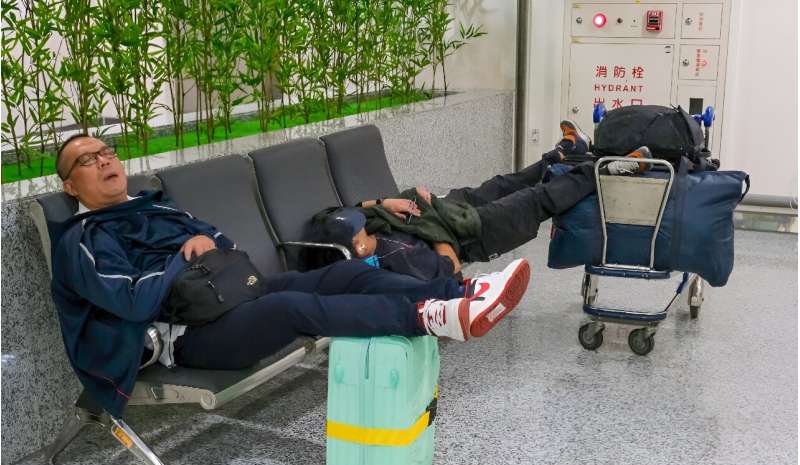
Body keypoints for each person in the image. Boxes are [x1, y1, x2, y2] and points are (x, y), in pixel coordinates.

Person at [51, 134, 531, 417]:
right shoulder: (82, 241)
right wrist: (183, 257)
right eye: (87, 161)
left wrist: (203, 248)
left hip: (227, 294)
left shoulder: (153, 206)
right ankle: (432, 315)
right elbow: (132, 301)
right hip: (186, 336)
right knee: (293, 307)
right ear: (71, 185)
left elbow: (221, 242)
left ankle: (458, 291)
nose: (105, 162)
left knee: (344, 275)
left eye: (107, 152)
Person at [310, 121, 652, 281]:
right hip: (473, 234)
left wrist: (385, 203)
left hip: (446, 208)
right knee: (536, 198)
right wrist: (436, 232)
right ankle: (608, 170)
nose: (362, 225)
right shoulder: (393, 257)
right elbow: (450, 272)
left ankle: (567, 152)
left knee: (504, 182)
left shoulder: (358, 226)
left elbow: (338, 212)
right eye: (359, 233)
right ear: (357, 250)